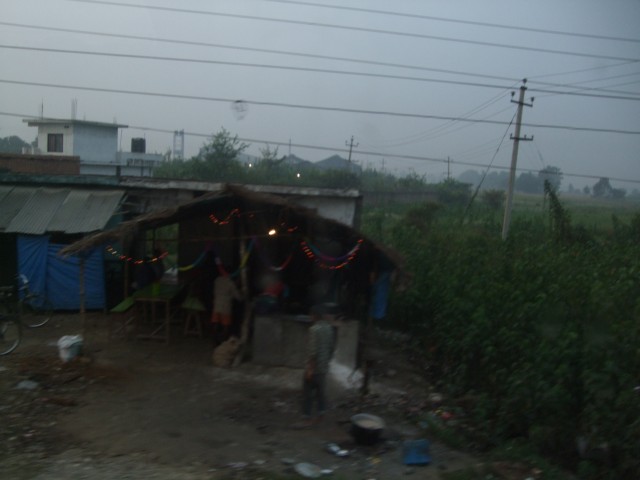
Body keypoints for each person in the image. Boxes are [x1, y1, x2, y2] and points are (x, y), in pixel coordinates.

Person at [301, 305, 336, 425]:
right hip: (323, 366)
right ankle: (321, 414)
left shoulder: (314, 329)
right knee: (321, 392)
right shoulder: (329, 328)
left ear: (314, 316)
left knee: (307, 392)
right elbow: (331, 348)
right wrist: (326, 362)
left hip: (314, 367)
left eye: (311, 315)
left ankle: (306, 416)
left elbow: (313, 351)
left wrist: (310, 369)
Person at [211, 271, 242, 344]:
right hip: (226, 307)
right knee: (226, 325)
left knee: (215, 323)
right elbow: (238, 297)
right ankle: (223, 340)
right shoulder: (230, 283)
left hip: (216, 305)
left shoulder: (217, 280)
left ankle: (214, 339)